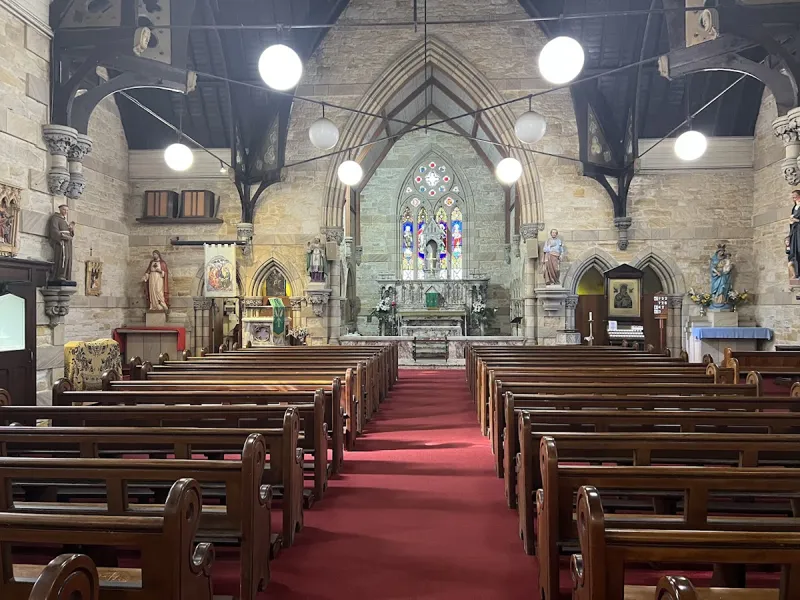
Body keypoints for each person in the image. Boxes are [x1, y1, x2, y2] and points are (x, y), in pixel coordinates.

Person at [47, 204, 75, 281]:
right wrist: (63, 237)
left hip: (68, 243)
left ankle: (66, 275)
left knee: (68, 258)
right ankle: (60, 275)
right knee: (63, 257)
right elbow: (54, 230)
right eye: (64, 209)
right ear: (60, 209)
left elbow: (70, 233)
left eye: (67, 210)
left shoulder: (65, 220)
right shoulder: (55, 218)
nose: (65, 211)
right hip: (61, 242)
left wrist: (71, 229)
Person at [710, 245, 733, 309]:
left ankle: (723, 300)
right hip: (716, 276)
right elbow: (712, 268)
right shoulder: (714, 259)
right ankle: (716, 299)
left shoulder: (725, 259)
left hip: (724, 275)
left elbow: (727, 266)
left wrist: (729, 268)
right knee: (716, 287)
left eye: (723, 251)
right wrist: (717, 272)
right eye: (721, 251)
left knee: (723, 286)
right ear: (718, 252)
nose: (722, 253)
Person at [788, 190, 800, 280]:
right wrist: (791, 221)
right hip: (794, 231)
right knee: (794, 251)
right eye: (792, 196)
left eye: (795, 196)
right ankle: (796, 273)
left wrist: (797, 220)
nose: (793, 198)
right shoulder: (794, 208)